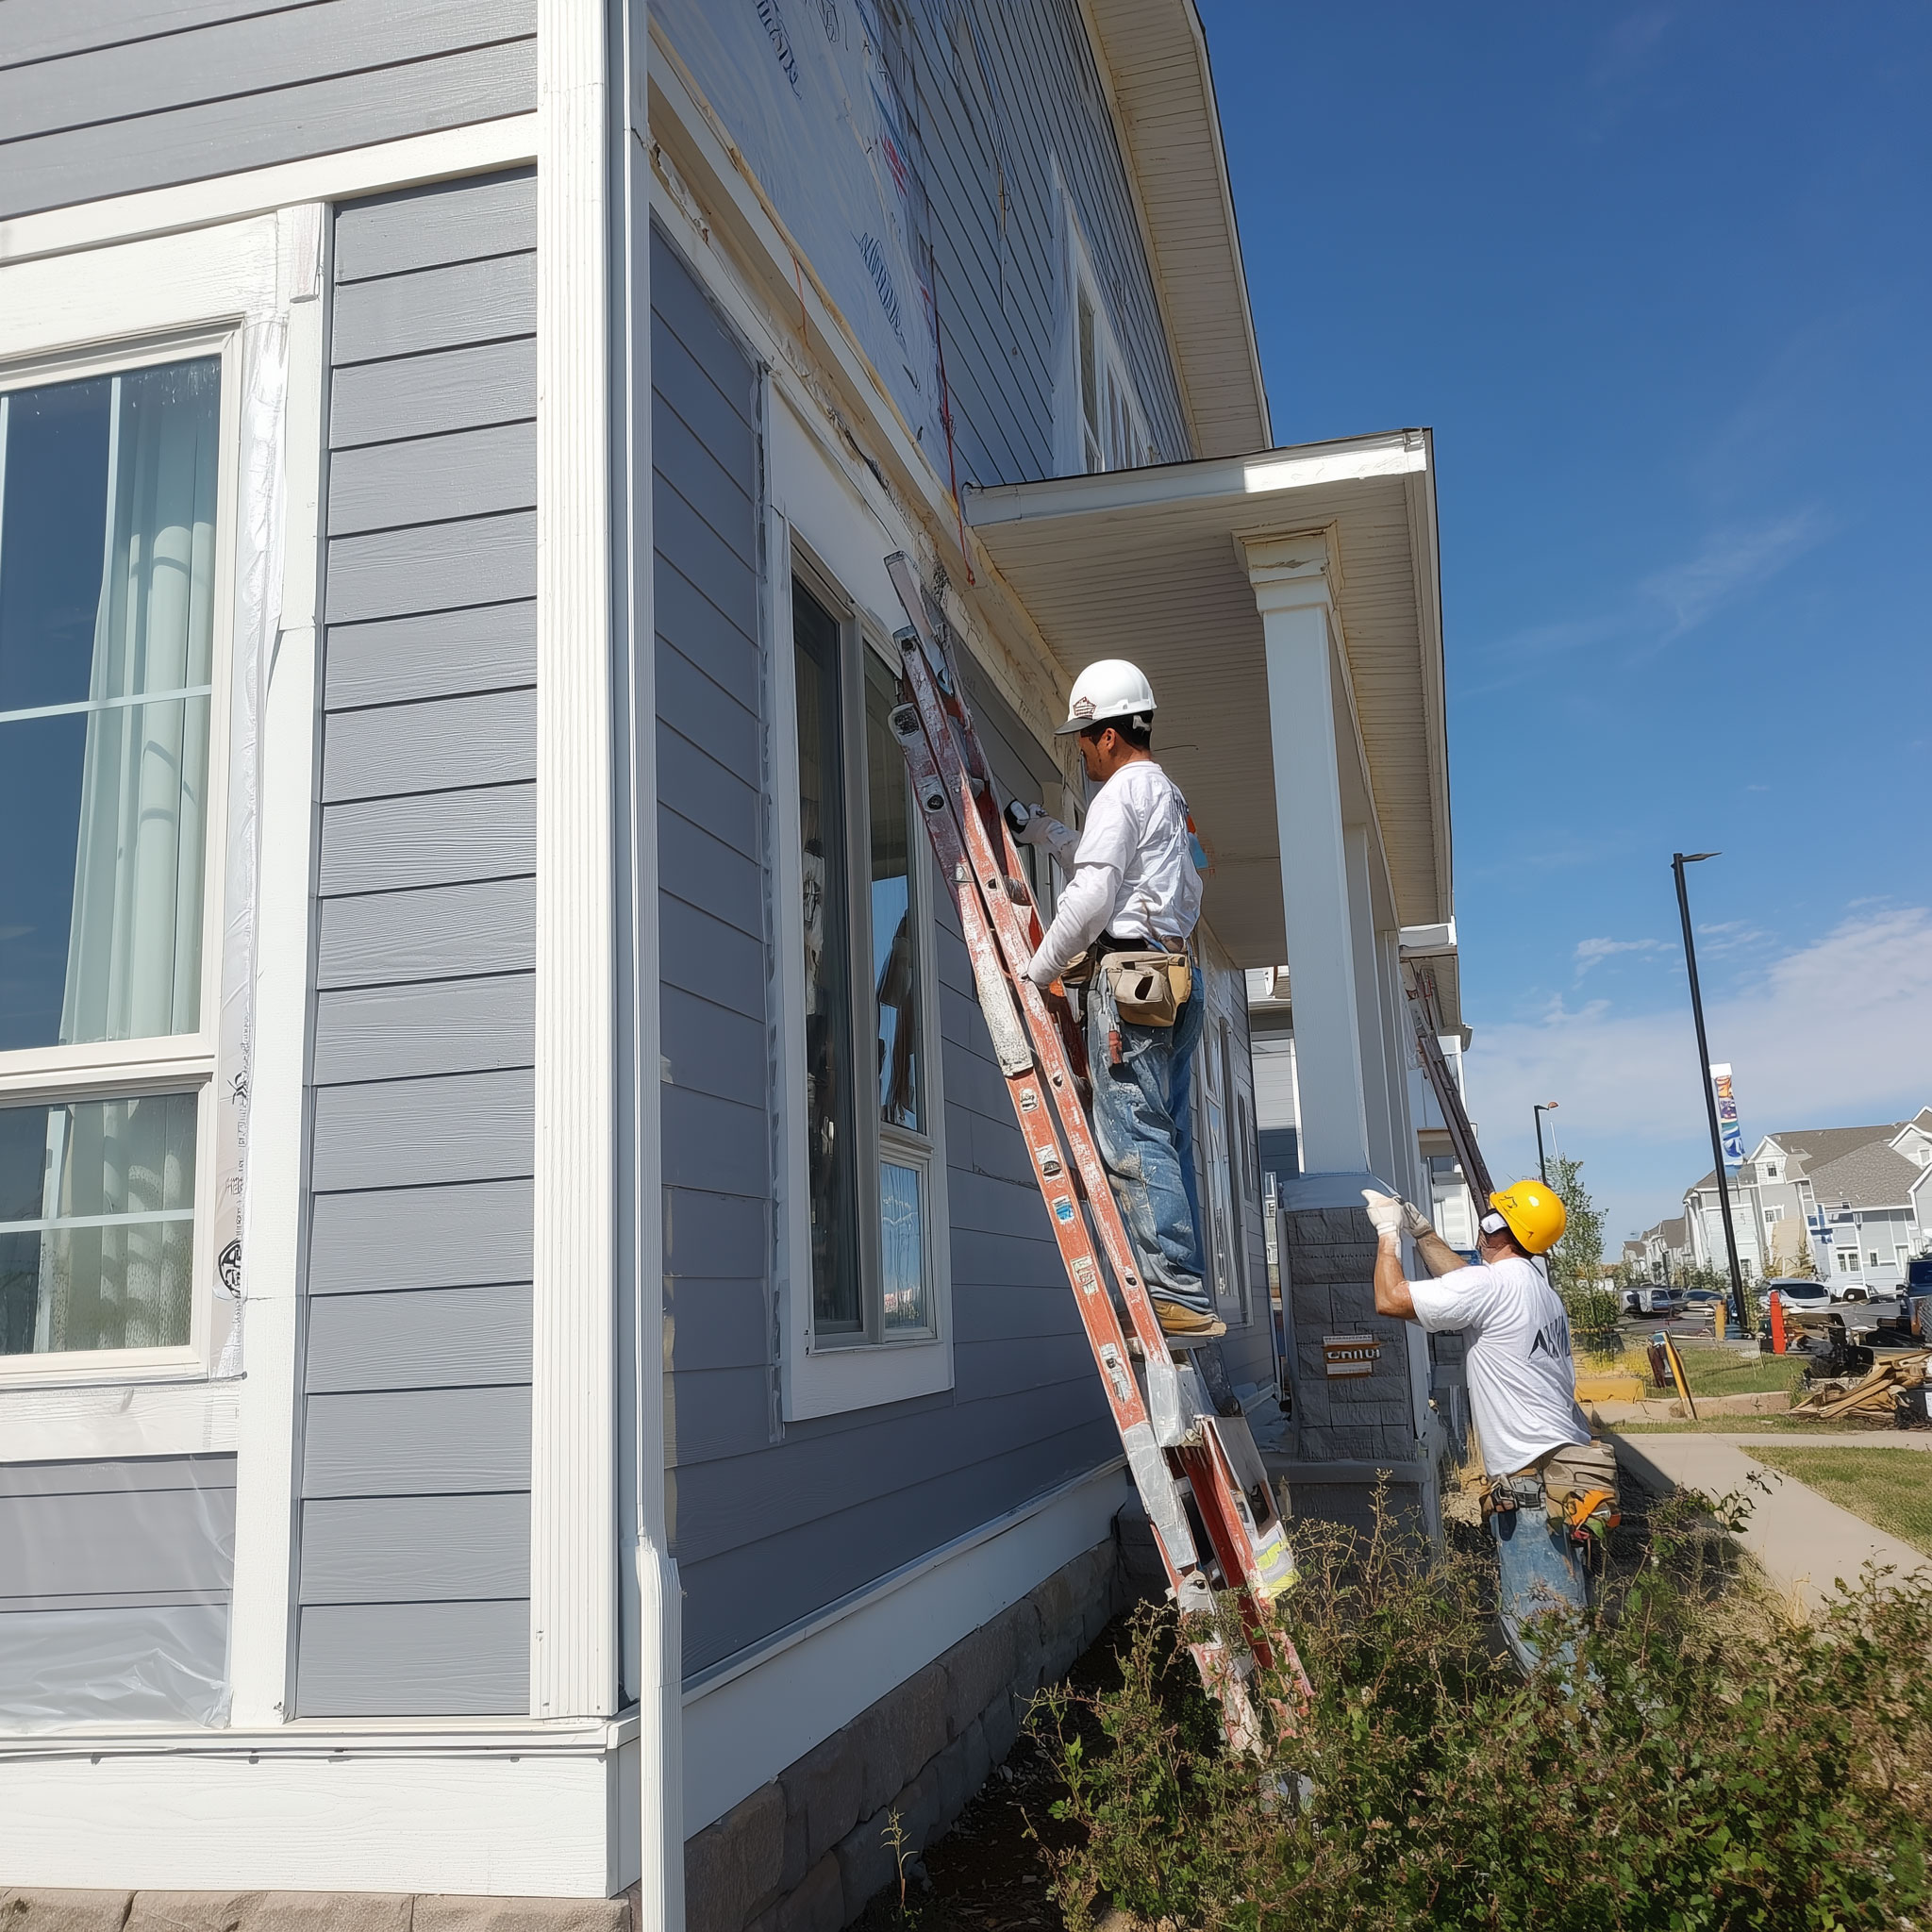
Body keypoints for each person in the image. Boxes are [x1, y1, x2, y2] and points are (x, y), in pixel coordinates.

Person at [1008, 658, 1218, 1340]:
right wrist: (1045, 833)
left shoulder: (1121, 792)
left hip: (1131, 984)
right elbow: (1128, 876)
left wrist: (1036, 972)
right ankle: (1184, 1288)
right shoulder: (1167, 795)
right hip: (1174, 979)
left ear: (1108, 734)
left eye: (1084, 735)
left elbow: (1096, 895)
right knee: (1166, 1135)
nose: (1080, 750)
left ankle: (1172, 1293)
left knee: (1134, 1133)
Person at [1364, 1177, 1612, 1673]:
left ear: (1499, 1229)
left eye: (1488, 1219)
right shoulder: (1535, 1289)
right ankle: (1581, 1707)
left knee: (1544, 1636)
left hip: (1530, 1487)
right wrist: (1424, 1233)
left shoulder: (1494, 1287)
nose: (1481, 1227)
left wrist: (1388, 1234)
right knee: (1565, 1625)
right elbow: (1466, 1287)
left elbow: (1391, 1299)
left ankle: (1573, 1716)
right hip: (1561, 1478)